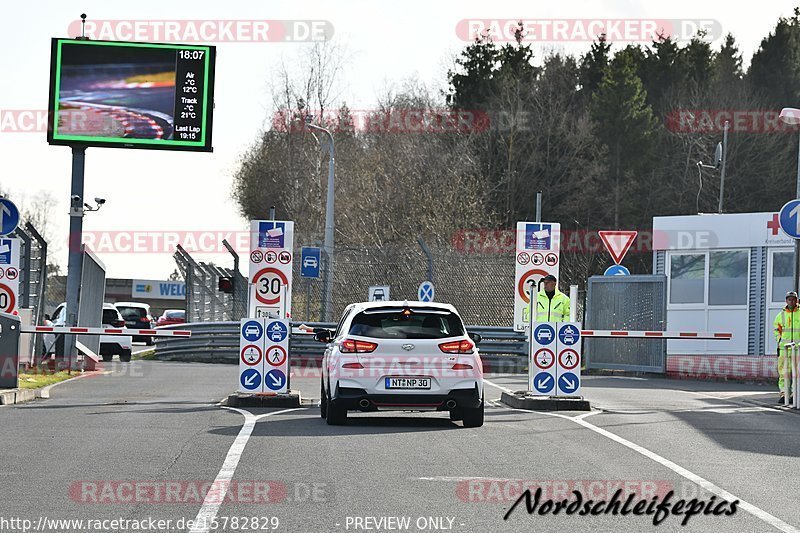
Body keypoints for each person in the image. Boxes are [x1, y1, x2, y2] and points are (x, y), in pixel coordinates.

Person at [774, 291, 800, 403]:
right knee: (784, 373)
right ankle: (784, 394)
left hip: (798, 349)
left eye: (793, 299)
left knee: (797, 373)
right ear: (786, 301)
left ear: (796, 300)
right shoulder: (781, 315)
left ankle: (795, 394)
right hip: (784, 349)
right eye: (789, 299)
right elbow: (776, 330)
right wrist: (779, 340)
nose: (791, 301)